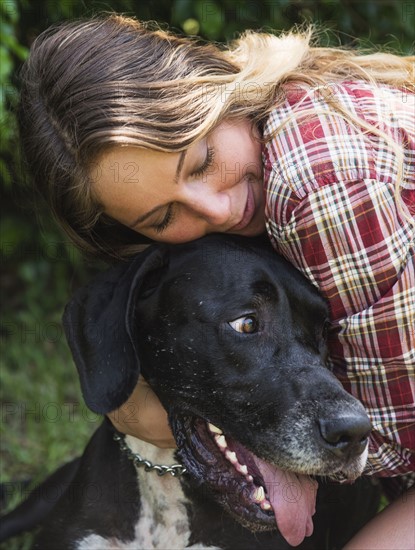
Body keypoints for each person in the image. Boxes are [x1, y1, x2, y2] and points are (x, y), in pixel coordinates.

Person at [18, 14, 414, 548]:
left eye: (201, 161)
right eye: (162, 219)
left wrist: (150, 416)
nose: (219, 210)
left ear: (212, 89)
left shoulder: (318, 184)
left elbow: (394, 434)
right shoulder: (272, 140)